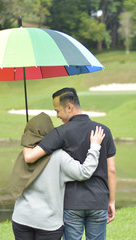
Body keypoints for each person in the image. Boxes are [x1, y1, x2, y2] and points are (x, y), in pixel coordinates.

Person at [23, 88, 117, 240]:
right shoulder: (103, 130)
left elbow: (29, 157)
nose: (57, 115)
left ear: (69, 107)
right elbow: (111, 170)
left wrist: (27, 138)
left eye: (58, 111)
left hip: (71, 203)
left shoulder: (60, 133)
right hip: (98, 201)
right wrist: (111, 201)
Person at [10, 112, 105, 240]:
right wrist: (94, 146)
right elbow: (85, 172)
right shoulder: (59, 156)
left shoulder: (24, 155)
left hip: (21, 218)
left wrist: (26, 137)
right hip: (48, 224)